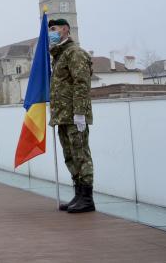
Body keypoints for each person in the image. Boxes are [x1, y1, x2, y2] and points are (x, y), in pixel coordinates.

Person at [48, 18, 95, 213]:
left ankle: (87, 198)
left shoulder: (74, 53)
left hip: (75, 114)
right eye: (50, 29)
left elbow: (81, 83)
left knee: (81, 154)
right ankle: (78, 194)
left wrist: (80, 113)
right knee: (70, 156)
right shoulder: (59, 55)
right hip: (62, 115)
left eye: (54, 28)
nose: (51, 32)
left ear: (65, 29)